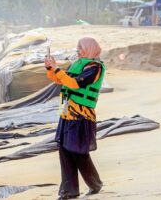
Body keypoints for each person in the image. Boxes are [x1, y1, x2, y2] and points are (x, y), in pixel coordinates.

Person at [44, 37, 105, 200]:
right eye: (77, 47)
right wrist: (50, 68)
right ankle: (69, 191)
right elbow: (59, 79)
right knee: (64, 149)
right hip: (67, 113)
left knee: (77, 150)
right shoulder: (78, 64)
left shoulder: (94, 67)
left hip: (81, 115)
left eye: (80, 47)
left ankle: (95, 183)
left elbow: (74, 83)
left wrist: (57, 69)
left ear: (90, 48)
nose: (77, 50)